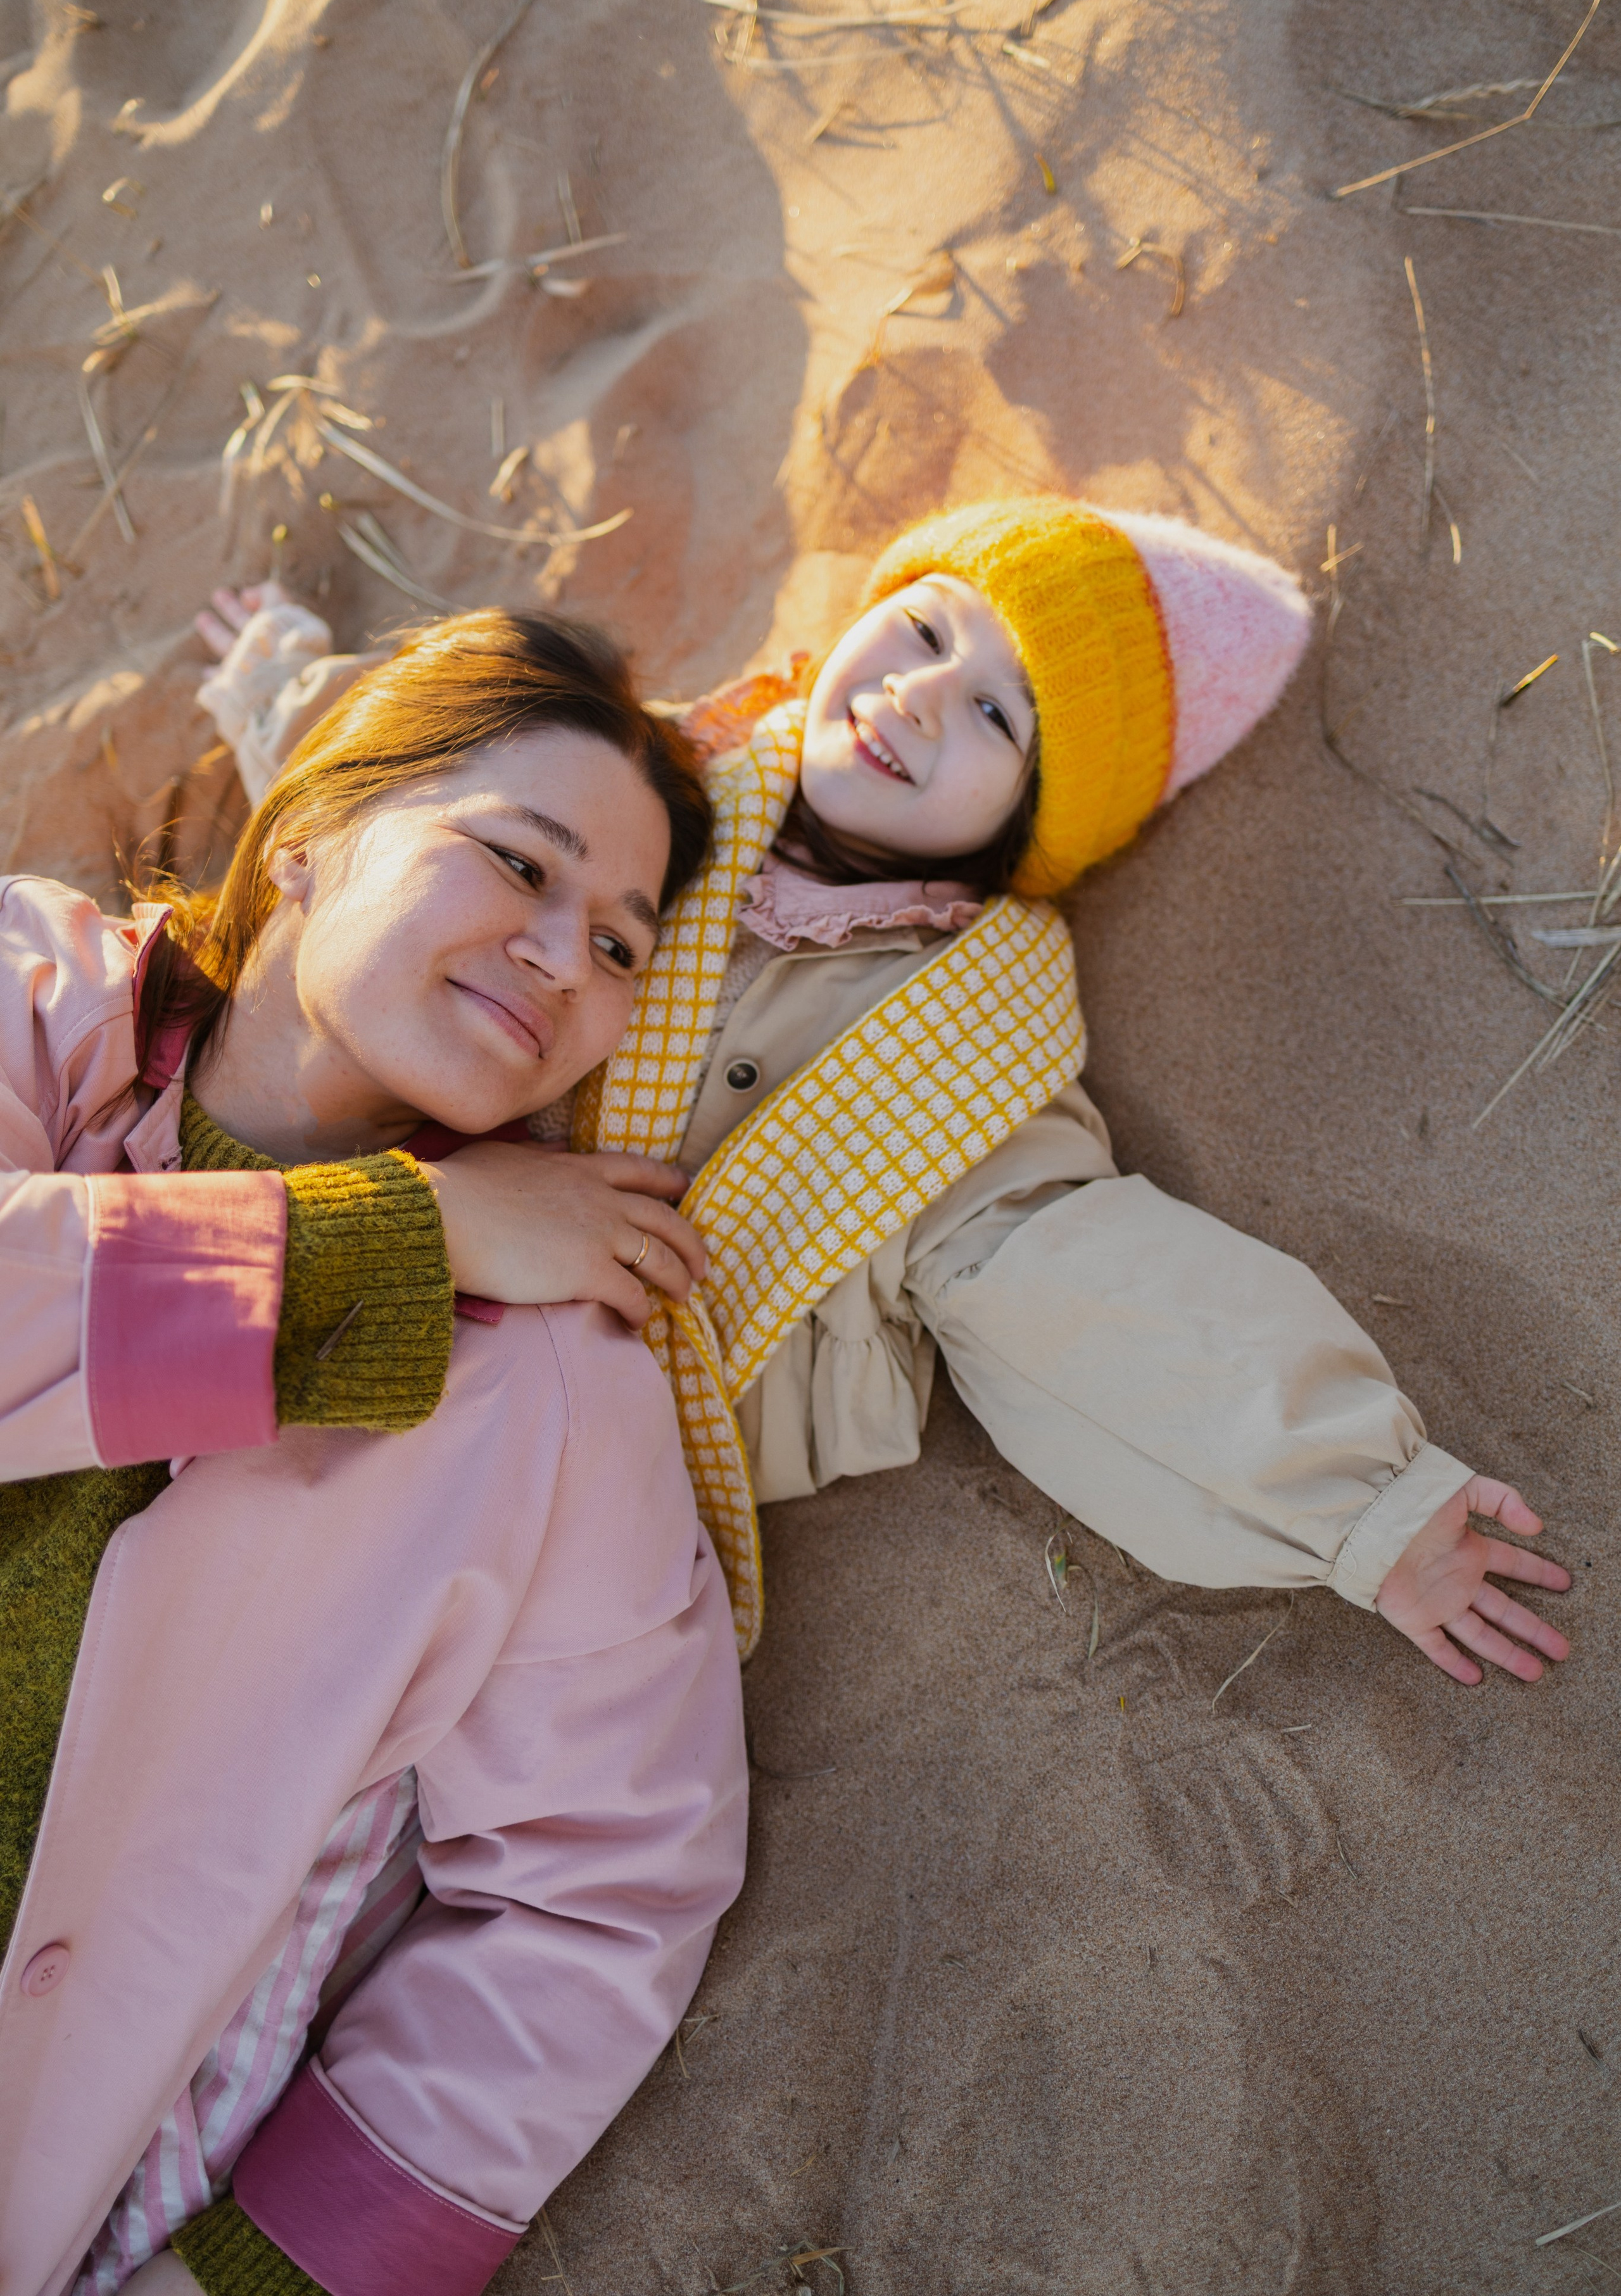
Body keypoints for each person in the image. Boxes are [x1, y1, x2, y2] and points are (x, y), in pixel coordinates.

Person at [197, 507, 1572, 1696]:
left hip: (592, 1421)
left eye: (996, 716)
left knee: (320, 1651)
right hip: (391, 1224)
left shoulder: (953, 1043)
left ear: (1027, 825)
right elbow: (432, 805)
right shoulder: (674, 778)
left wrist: (1363, 1503)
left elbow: (1090, 1295)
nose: (920, 695)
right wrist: (280, 689)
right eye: (923, 630)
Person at [0, 612, 750, 2296]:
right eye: (519, 862)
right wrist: (395, 1242)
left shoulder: (553, 1390)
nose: (563, 960)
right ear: (316, 828)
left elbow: (605, 1890)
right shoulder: (36, 997)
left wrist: (267, 2270)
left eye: (620, 945)